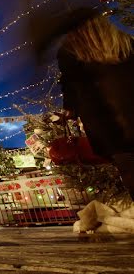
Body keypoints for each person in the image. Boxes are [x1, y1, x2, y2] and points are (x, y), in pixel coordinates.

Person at [56, 13, 134, 197]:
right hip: (122, 121)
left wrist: (69, 110)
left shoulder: (71, 54)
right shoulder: (126, 45)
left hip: (111, 130)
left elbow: (70, 87)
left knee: (129, 168)